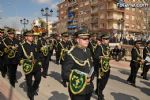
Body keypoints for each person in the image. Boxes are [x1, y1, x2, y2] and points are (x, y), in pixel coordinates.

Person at [62, 30, 94, 100]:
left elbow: (90, 67)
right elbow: (65, 74)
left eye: (88, 39)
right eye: (84, 39)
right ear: (77, 40)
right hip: (78, 89)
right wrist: (82, 78)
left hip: (88, 88)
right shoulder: (71, 53)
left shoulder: (88, 51)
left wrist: (91, 78)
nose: (87, 40)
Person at [19, 30, 42, 100]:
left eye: (32, 36)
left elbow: (38, 55)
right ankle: (30, 94)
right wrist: (24, 61)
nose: (32, 37)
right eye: (30, 36)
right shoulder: (22, 46)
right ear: (26, 37)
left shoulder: (35, 45)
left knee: (38, 79)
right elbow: (19, 57)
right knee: (29, 82)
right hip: (28, 67)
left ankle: (33, 89)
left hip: (36, 66)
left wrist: (40, 65)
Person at [94, 33, 111, 100]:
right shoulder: (99, 47)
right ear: (103, 40)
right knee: (102, 82)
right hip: (101, 68)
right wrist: (101, 57)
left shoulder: (107, 47)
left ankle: (97, 91)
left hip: (106, 67)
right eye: (106, 39)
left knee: (104, 81)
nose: (108, 40)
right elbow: (96, 57)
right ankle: (100, 95)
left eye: (108, 39)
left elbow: (108, 56)